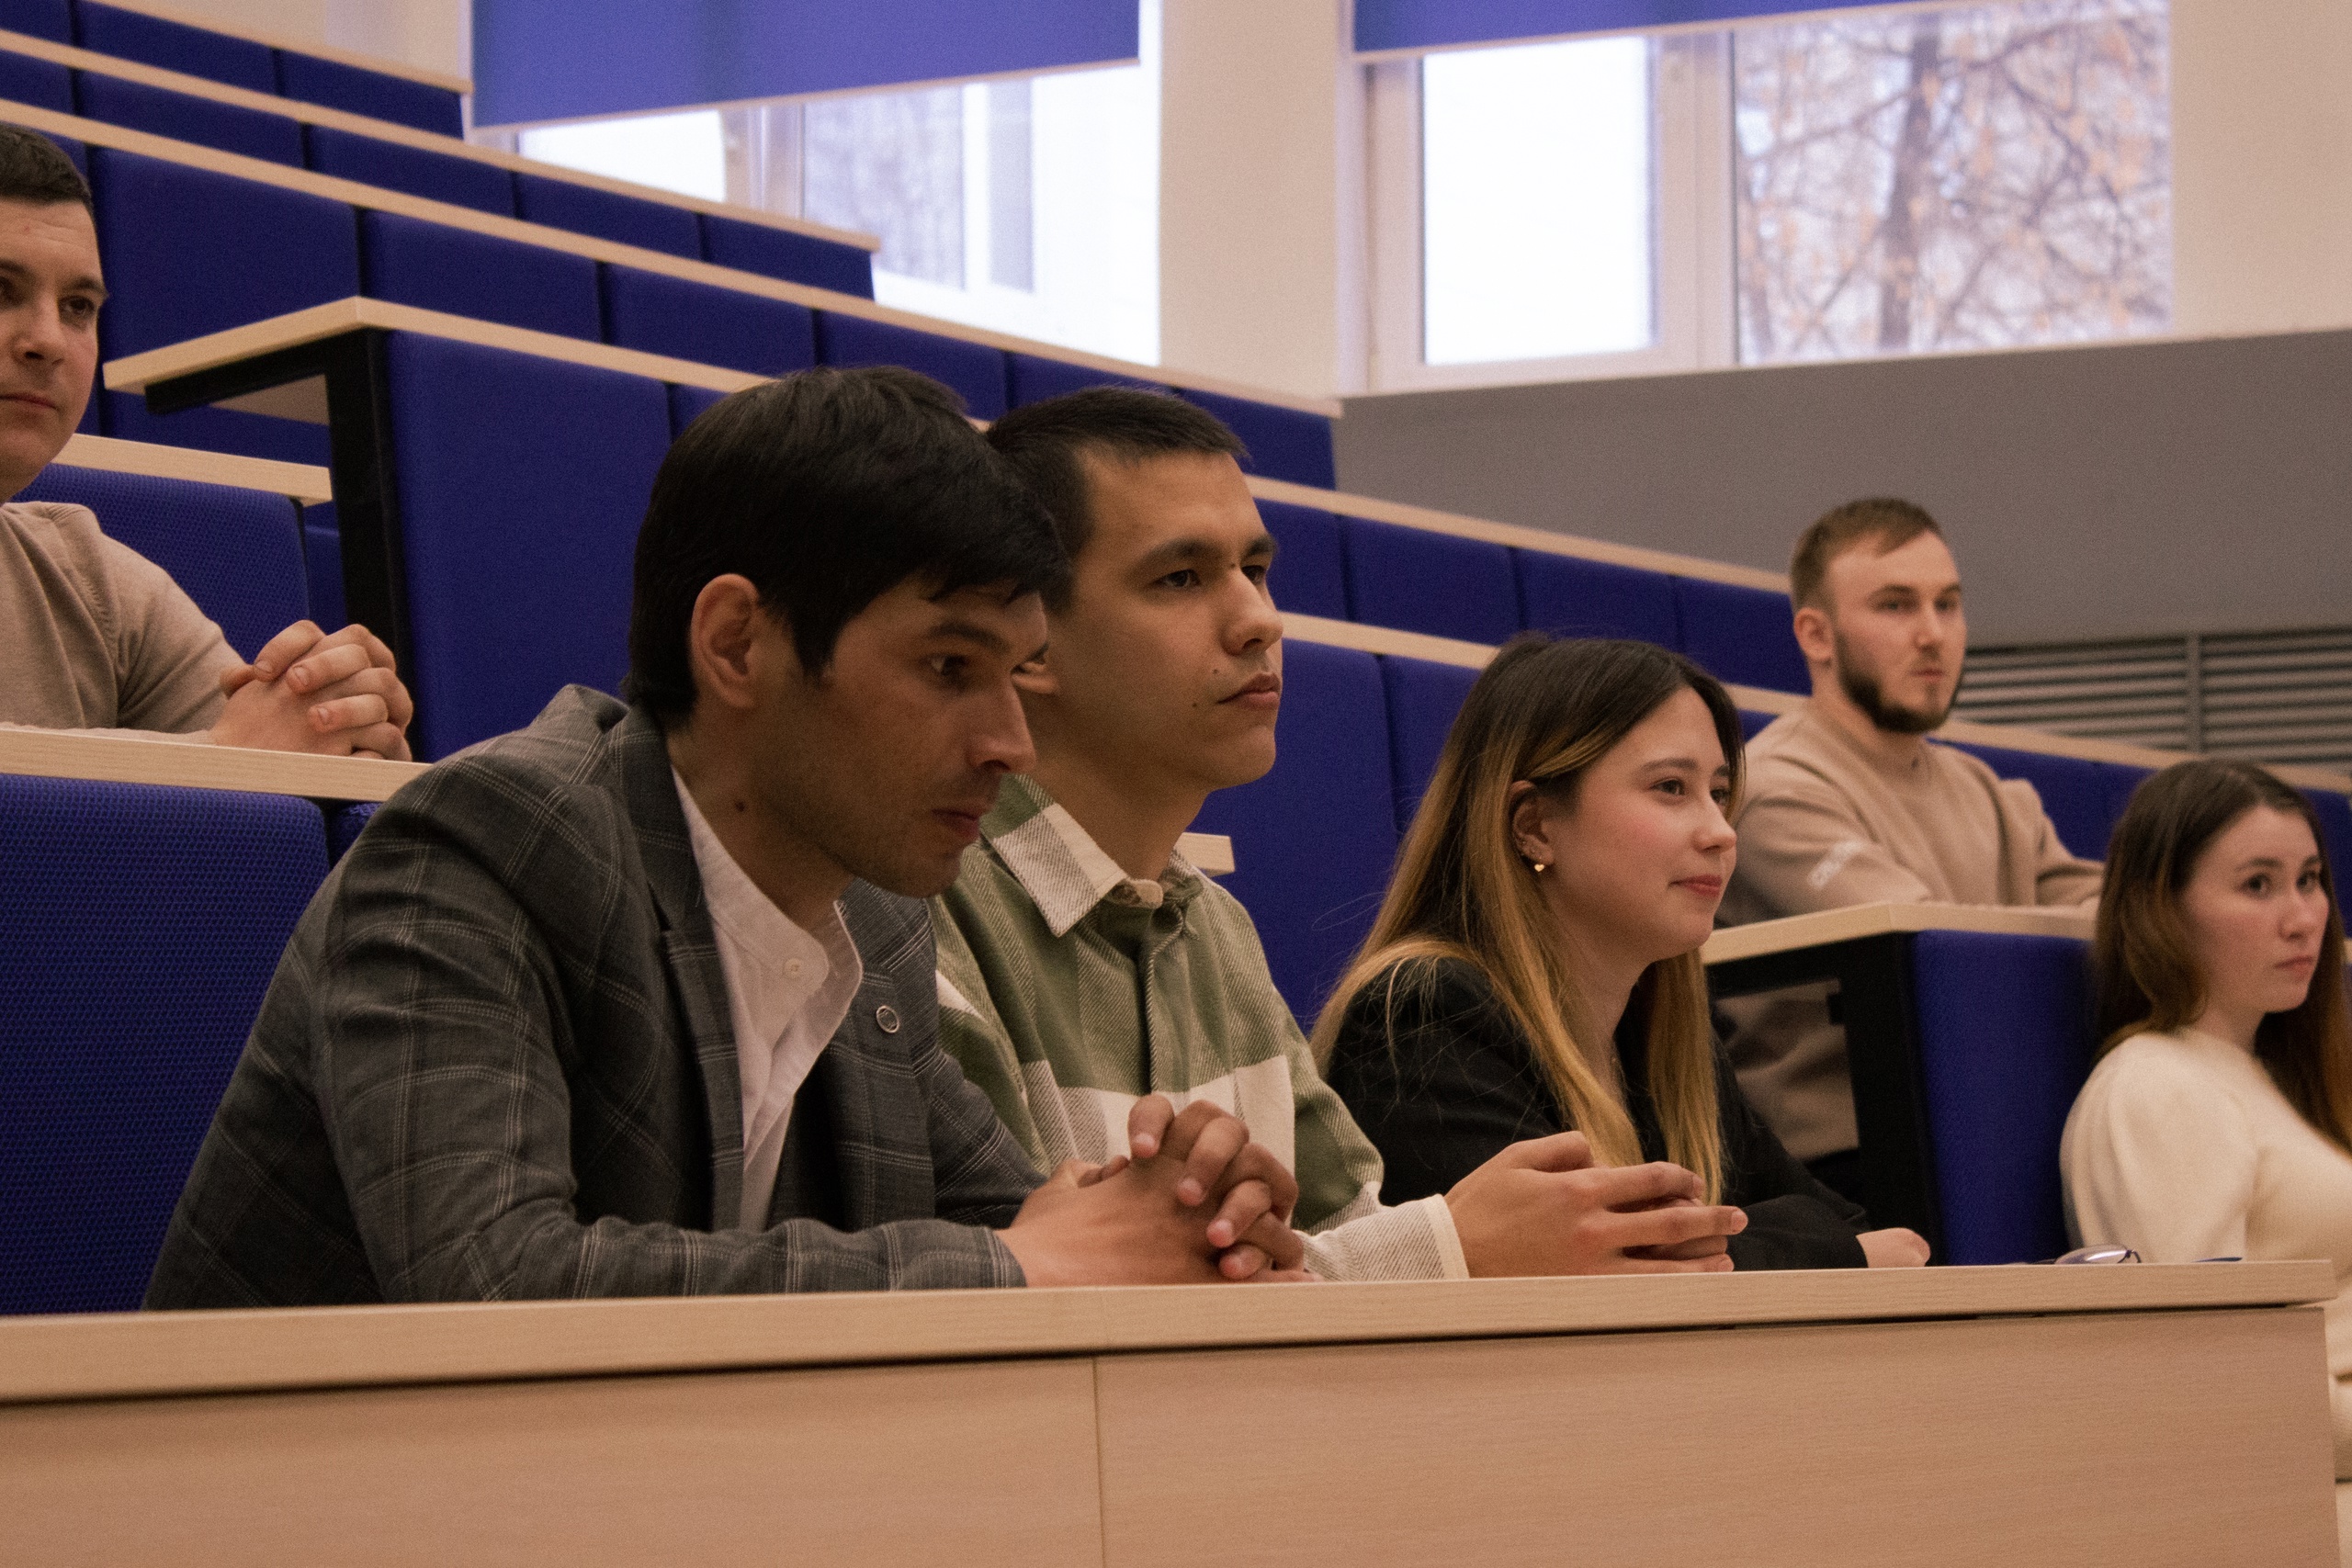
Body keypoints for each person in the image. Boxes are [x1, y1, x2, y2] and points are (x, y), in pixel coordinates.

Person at [147, 367, 1306, 1308]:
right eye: (950, 667)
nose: (1009, 742)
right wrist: (1024, 1261)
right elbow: (498, 1282)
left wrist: (1186, 1221)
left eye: (1017, 674)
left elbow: (1026, 1224)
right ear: (738, 643)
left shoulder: (872, 919)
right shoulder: (480, 850)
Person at [936, 388, 1753, 1281]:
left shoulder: (1215, 929)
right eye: (1181, 578)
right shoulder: (929, 910)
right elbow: (1014, 1291)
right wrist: (1452, 1247)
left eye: (1256, 569)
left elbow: (1336, 1233)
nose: (1260, 619)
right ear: (1030, 642)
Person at [1317, 635, 1930, 1271]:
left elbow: (1867, 1234)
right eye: (1671, 787)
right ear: (1534, 826)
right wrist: (1826, 1249)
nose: (1721, 832)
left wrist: (1798, 1244)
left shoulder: (1664, 1037)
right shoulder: (1424, 1014)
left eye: (1719, 793)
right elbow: (1592, 1271)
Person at [1718, 497, 2099, 1197]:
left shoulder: (1987, 788)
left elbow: (2125, 915)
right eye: (1896, 606)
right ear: (1817, 634)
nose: (1933, 634)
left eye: (1947, 604)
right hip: (1847, 1165)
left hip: (1989, 1116)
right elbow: (1936, 956)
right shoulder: (1774, 789)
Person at [0, 123, 413, 758]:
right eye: (2, 290)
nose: (49, 341)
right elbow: (237, 748)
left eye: (78, 306)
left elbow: (273, 747)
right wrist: (227, 752)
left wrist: (342, 727)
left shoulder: (95, 581)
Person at [2060, 759, 2352, 1547]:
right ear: (2164, 910)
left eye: (2310, 879)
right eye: (2258, 885)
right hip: (2294, 1497)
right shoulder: (2157, 1087)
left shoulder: (2280, 1074)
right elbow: (2214, 1385)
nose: (2304, 917)